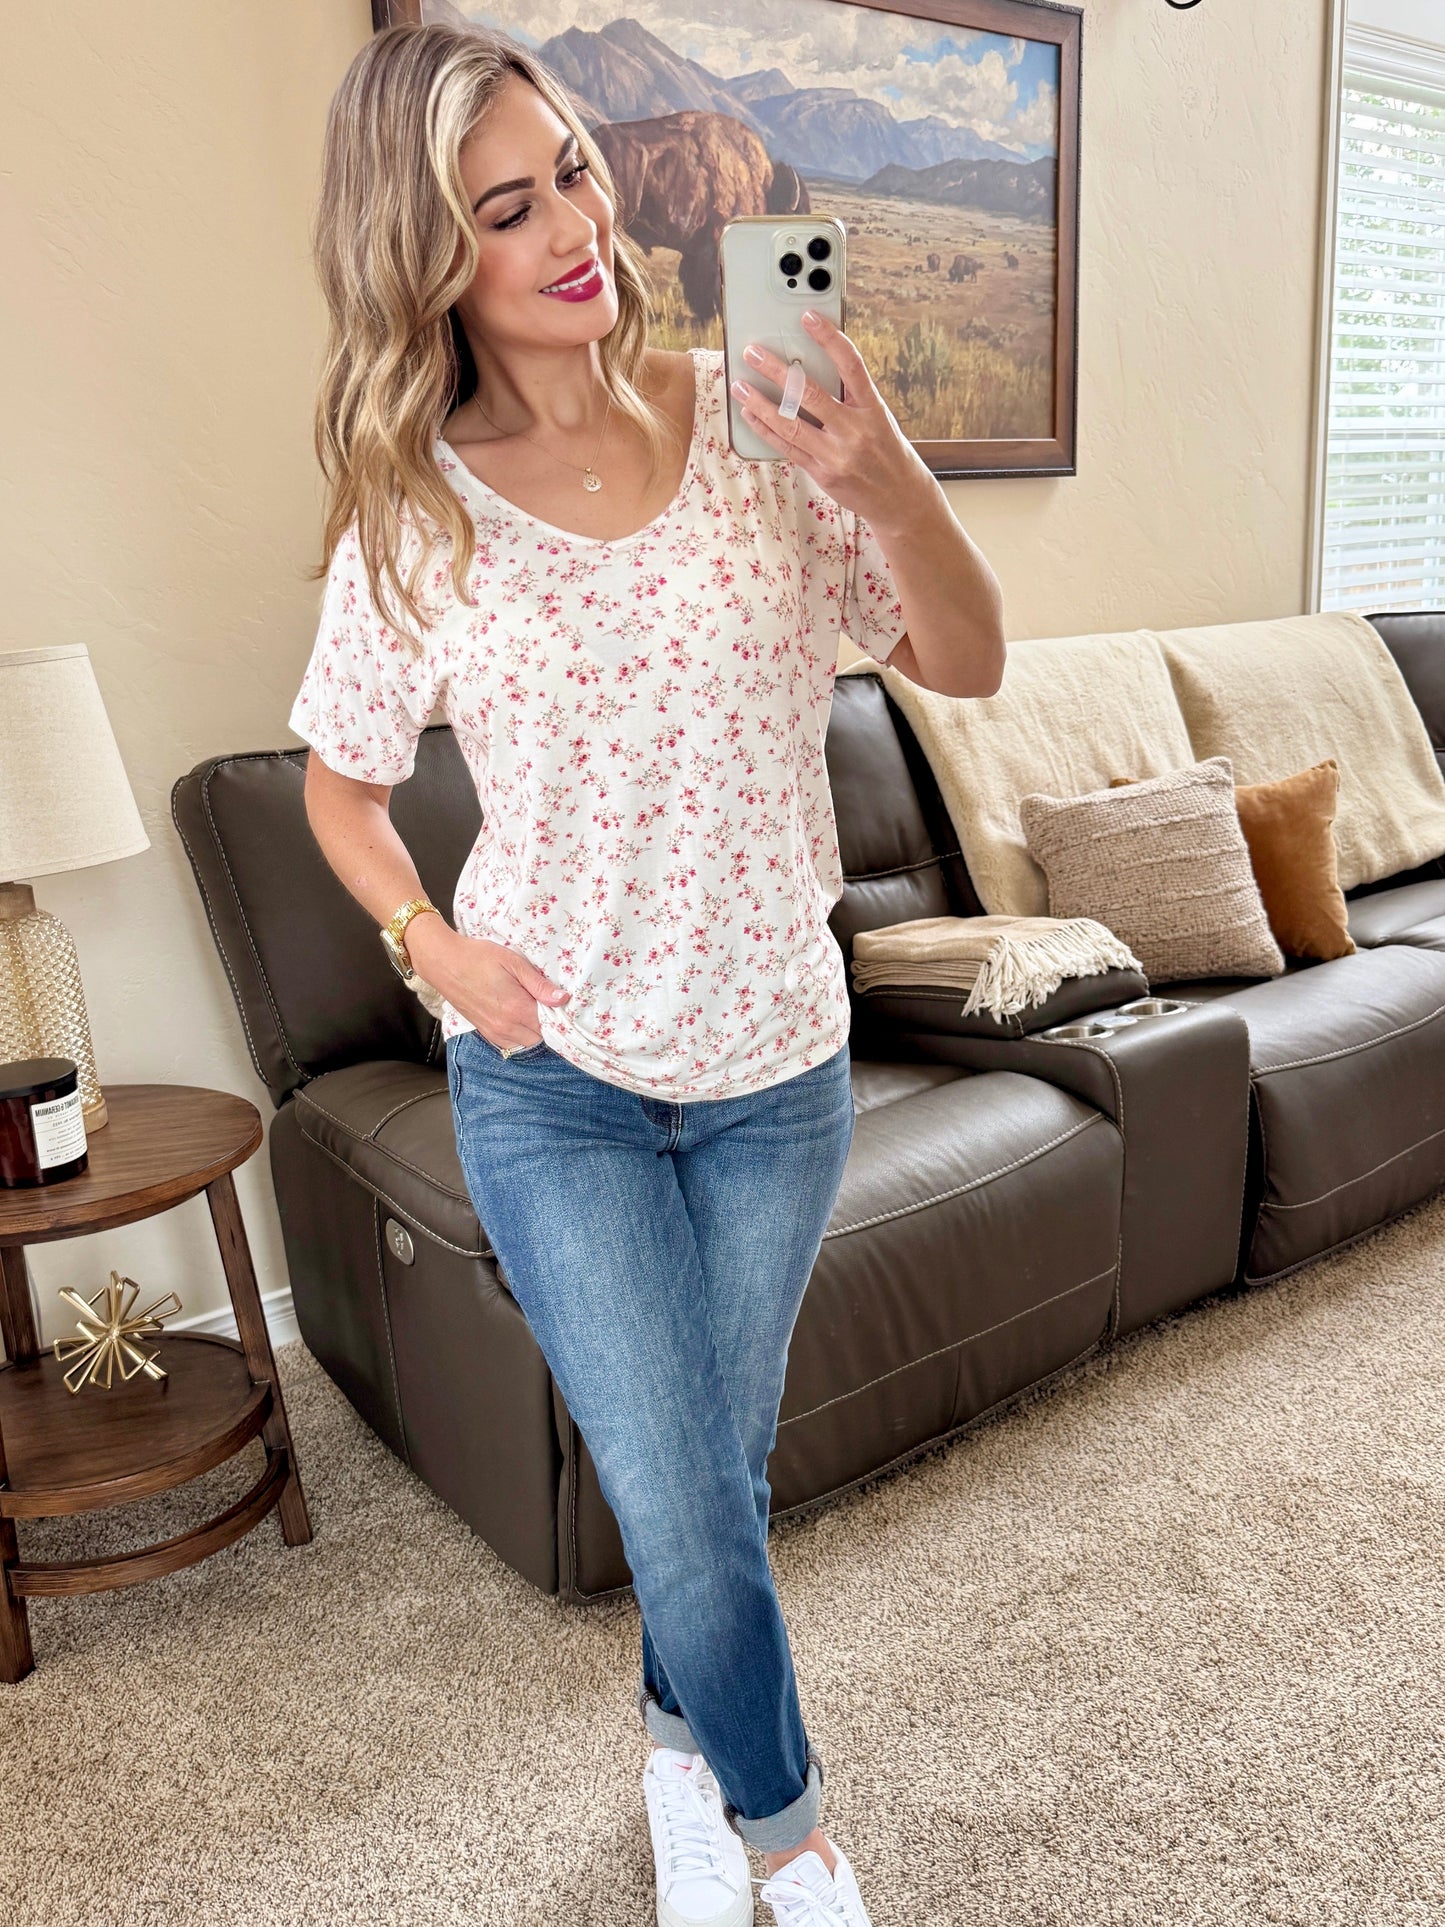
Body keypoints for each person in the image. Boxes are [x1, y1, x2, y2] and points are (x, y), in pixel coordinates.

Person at [289, 21, 1004, 1927]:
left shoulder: (762, 427)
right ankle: (792, 1843)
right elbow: (339, 795)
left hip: (778, 1068)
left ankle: (681, 1761)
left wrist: (891, 469)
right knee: (682, 1495)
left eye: (575, 173)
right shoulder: (410, 511)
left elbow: (968, 662)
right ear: (428, 259)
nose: (569, 230)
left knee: (714, 1476)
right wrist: (429, 942)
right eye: (501, 209)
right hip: (554, 1083)